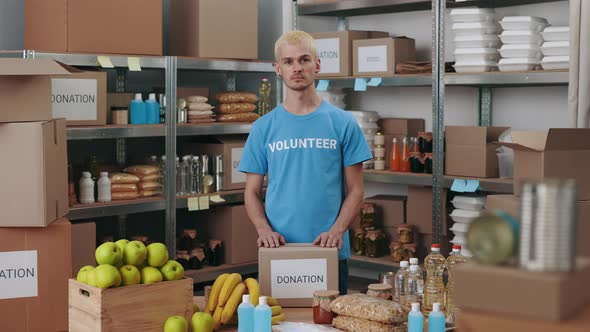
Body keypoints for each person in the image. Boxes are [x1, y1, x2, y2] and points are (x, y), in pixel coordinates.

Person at [238, 30, 372, 295]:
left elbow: (356, 189)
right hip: (279, 251)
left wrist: (337, 230)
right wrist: (264, 230)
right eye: (288, 62)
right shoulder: (263, 128)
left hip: (328, 250)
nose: (296, 68)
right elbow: (251, 192)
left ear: (317, 65)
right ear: (278, 69)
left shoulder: (343, 123)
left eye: (304, 60)